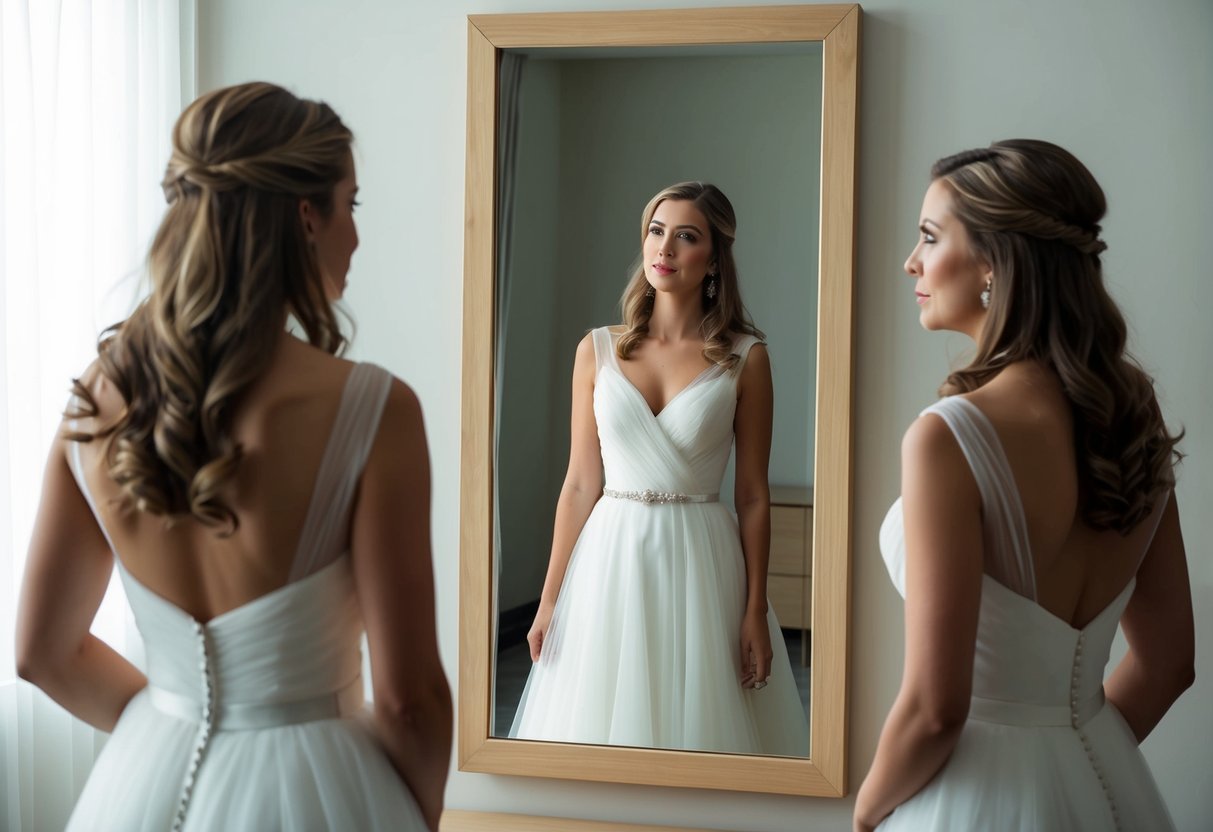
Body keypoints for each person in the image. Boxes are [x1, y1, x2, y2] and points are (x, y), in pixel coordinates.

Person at [15, 82, 451, 831]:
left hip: (142, 778)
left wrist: (169, 729)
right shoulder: (375, 409)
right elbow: (409, 701)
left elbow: (41, 654)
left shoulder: (96, 396)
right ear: (305, 218)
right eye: (353, 205)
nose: (356, 235)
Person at [855, 139, 1193, 831]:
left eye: (927, 237)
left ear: (991, 262)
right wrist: (1067, 756)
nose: (910, 262)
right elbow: (1166, 666)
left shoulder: (945, 436)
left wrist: (866, 813)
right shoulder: (1129, 415)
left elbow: (933, 708)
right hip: (1104, 786)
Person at [508, 181, 809, 756]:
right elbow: (579, 484)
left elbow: (752, 495)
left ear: (715, 258)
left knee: (702, 727)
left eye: (686, 236)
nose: (664, 248)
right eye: (656, 231)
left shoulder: (746, 357)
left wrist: (755, 608)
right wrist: (550, 599)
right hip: (610, 557)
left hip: (703, 558)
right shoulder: (597, 349)